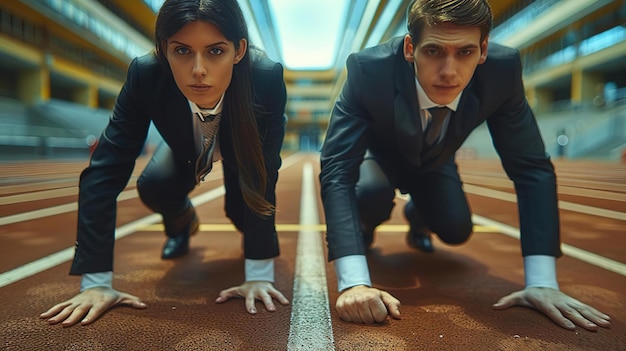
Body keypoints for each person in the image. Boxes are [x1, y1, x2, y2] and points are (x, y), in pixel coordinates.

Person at [319, 0, 611, 331]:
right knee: (371, 194)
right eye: (433, 52)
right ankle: (365, 228)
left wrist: (542, 281)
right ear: (410, 48)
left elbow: (531, 168)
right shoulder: (368, 70)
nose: (448, 71)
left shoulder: (502, 71)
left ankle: (419, 216)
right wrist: (353, 281)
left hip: (435, 161)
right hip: (379, 159)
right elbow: (338, 169)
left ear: (483, 50)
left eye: (465, 53)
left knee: (457, 230)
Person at [40, 0, 289, 327]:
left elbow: (263, 172)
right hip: (184, 146)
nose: (198, 70)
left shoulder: (266, 76)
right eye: (182, 51)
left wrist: (258, 273)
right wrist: (96, 283)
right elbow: (105, 170)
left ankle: (246, 234)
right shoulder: (145, 74)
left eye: (215, 51)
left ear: (239, 50)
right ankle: (182, 224)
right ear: (163, 50)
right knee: (153, 186)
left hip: (241, 146)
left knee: (241, 211)